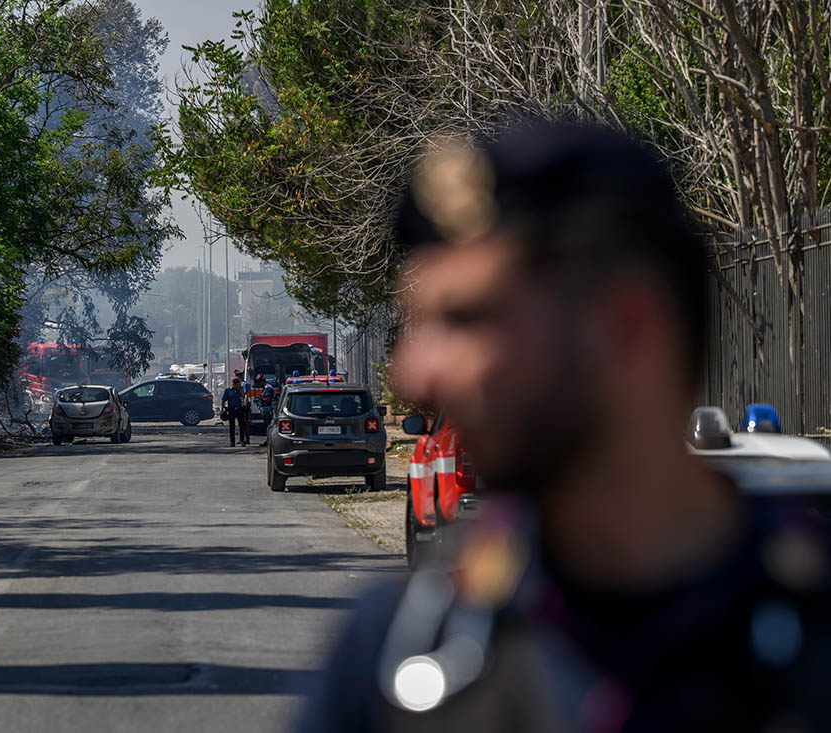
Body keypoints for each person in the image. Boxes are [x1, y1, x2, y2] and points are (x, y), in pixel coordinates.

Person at [297, 122, 831, 731]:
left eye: (469, 320)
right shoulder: (399, 655)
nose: (415, 374)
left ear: (625, 330)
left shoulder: (810, 641)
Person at [221, 377, 248, 447]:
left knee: (242, 425)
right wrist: (222, 410)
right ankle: (232, 441)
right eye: (238, 385)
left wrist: (241, 389)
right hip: (231, 409)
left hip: (239, 409)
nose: (239, 386)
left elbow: (244, 396)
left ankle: (242, 440)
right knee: (232, 426)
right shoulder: (228, 391)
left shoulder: (239, 390)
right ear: (234, 384)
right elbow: (223, 400)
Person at [255, 373, 276, 447]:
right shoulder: (267, 387)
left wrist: (260, 398)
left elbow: (268, 399)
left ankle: (269, 441)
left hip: (268, 408)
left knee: (268, 426)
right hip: (266, 408)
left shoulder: (268, 388)